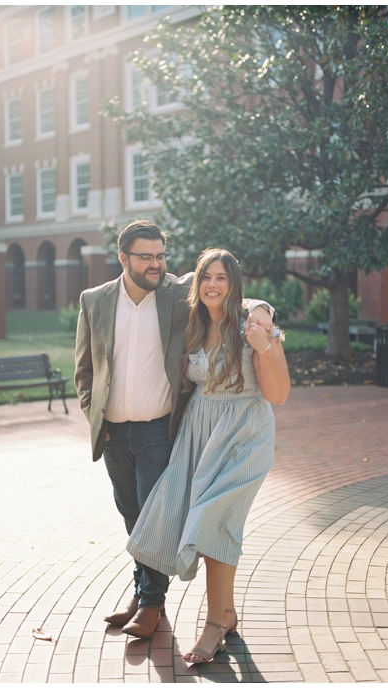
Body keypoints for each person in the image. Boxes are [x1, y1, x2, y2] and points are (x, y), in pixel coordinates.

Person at [74, 221, 273, 640]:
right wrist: (96, 414)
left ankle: (151, 604)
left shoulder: (172, 292)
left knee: (155, 512)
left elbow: (223, 288)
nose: (156, 264)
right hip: (113, 432)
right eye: (145, 256)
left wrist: (261, 310)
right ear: (123, 257)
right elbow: (85, 369)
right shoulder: (94, 301)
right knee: (132, 514)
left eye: (161, 255)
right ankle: (142, 592)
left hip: (158, 429)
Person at [126, 247, 290, 663]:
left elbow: (280, 394)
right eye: (207, 277)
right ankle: (228, 613)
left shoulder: (249, 325)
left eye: (222, 277)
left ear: (235, 284)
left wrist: (264, 340)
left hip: (244, 433)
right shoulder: (194, 324)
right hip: (198, 433)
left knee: (212, 519)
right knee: (201, 522)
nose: (213, 285)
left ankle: (214, 625)